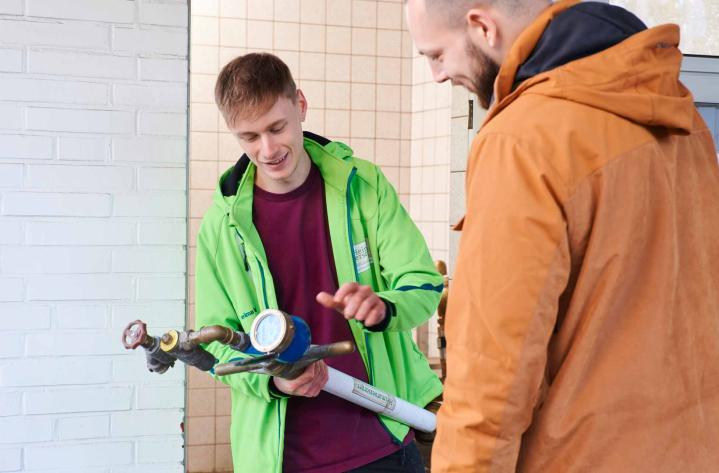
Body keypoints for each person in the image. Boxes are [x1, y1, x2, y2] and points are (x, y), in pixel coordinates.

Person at [404, 0, 719, 471]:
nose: (437, 75)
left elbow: (492, 383)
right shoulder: (684, 119)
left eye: (436, 55)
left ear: (482, 27)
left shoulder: (523, 139)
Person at [194, 52, 443, 473]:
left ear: (301, 106)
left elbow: (421, 282)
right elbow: (219, 343)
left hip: (382, 442)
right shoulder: (222, 225)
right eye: (249, 137)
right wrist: (272, 380)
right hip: (280, 459)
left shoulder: (363, 187)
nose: (268, 150)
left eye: (277, 128)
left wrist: (384, 308)